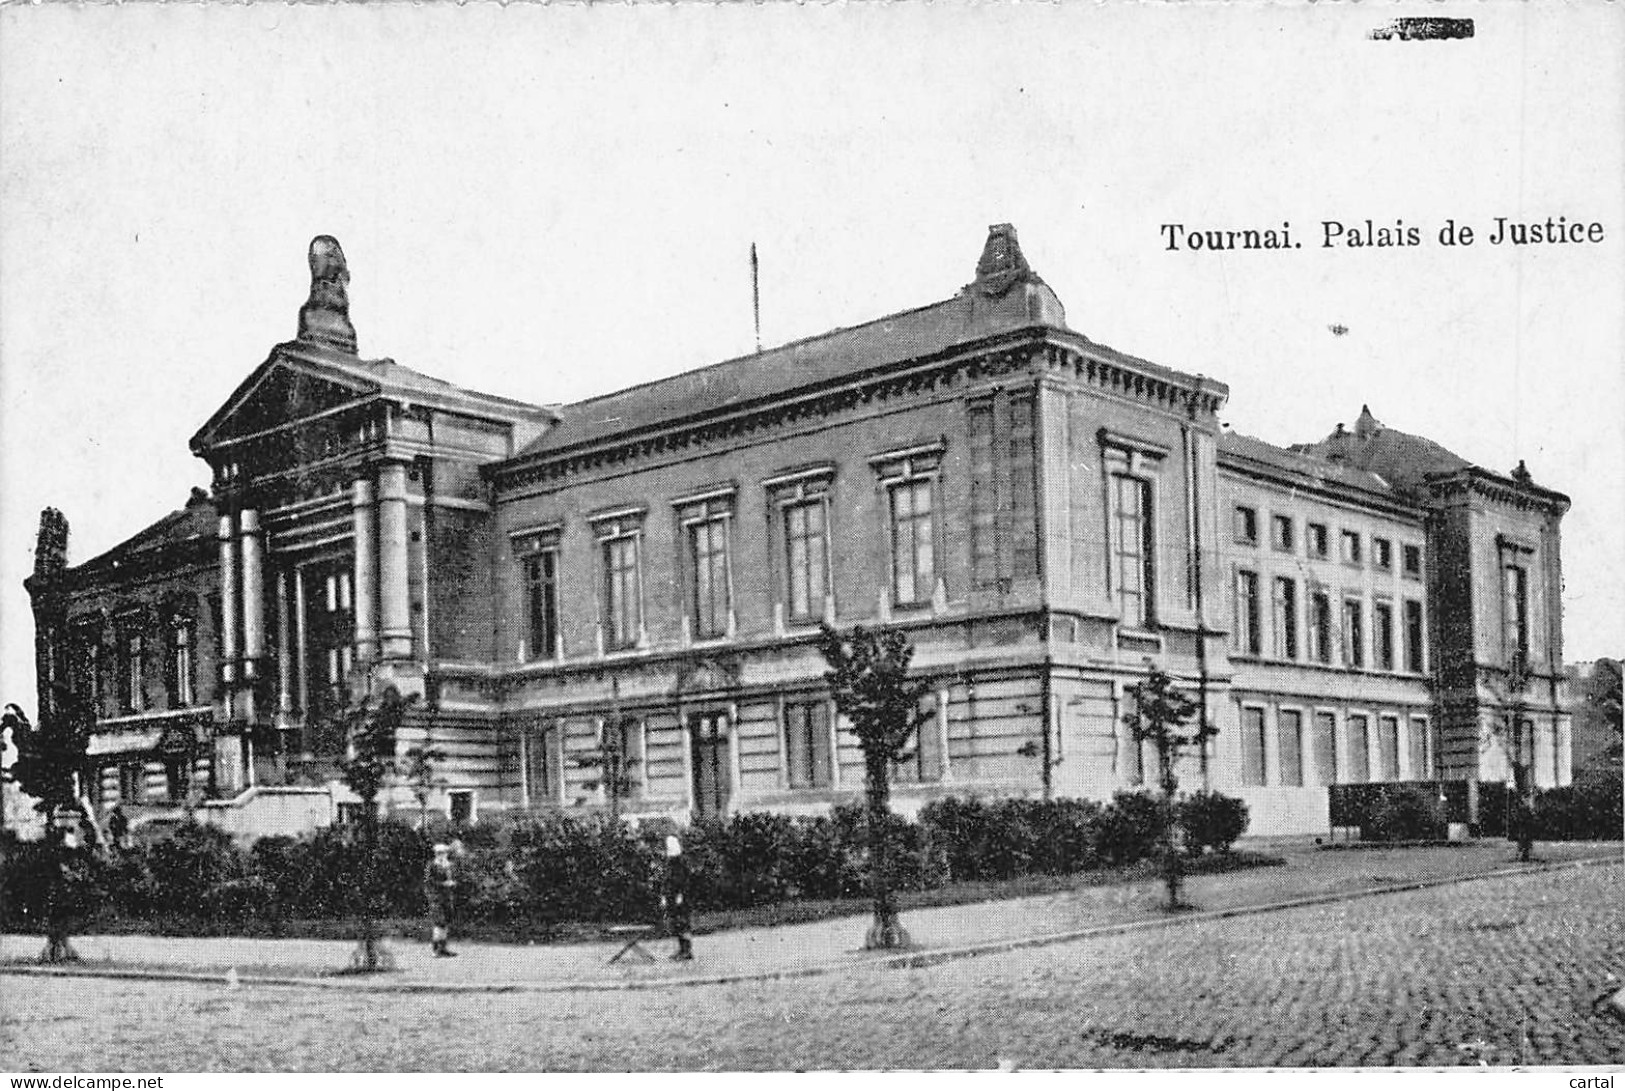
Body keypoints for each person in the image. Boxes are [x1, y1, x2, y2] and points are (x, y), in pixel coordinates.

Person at [660, 834, 693, 961]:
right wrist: (664, 896)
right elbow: (666, 882)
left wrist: (681, 895)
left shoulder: (680, 864)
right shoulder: (670, 864)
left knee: (683, 924)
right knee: (677, 925)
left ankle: (686, 950)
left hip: (680, 900)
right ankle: (681, 949)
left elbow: (684, 882)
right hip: (672, 898)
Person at [424, 842, 458, 957]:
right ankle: (435, 949)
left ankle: (443, 948)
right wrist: (444, 884)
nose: (442, 855)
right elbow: (429, 882)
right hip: (436, 897)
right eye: (439, 853)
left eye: (443, 852)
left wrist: (452, 883)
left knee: (446, 922)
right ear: (435, 854)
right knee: (439, 922)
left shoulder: (449, 865)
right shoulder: (432, 866)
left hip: (447, 897)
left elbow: (455, 878)